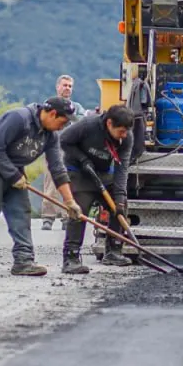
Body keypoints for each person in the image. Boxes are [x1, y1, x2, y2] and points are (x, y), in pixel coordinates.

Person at [0, 96, 83, 276]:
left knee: (21, 213)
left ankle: (23, 261)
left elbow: (57, 169)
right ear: (52, 114)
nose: (64, 126)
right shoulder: (19, 118)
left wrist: (70, 202)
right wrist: (13, 175)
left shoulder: (50, 136)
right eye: (63, 121)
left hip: (14, 171)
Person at [58, 104, 138, 273]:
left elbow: (122, 167)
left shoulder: (127, 137)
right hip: (79, 171)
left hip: (103, 172)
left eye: (126, 132)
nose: (124, 135)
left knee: (119, 205)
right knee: (79, 210)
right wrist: (82, 158)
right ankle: (71, 258)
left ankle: (114, 251)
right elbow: (63, 140)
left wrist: (120, 197)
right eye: (121, 131)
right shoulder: (87, 125)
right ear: (109, 124)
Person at [40, 75, 88, 231]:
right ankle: (48, 217)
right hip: (52, 147)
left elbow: (81, 125)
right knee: (50, 183)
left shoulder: (77, 108)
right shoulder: (49, 105)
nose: (67, 88)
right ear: (57, 87)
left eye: (70, 86)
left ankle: (67, 216)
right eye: (65, 85)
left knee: (69, 183)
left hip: (71, 151)